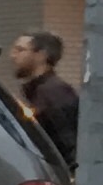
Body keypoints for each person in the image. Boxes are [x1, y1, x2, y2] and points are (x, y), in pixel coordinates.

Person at [7, 32, 80, 166]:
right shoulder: (39, 92)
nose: (12, 56)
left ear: (41, 55)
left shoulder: (54, 93)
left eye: (20, 50)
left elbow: (68, 144)